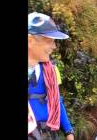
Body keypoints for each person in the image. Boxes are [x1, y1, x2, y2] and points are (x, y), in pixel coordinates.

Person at [28, 12, 74, 140]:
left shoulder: (51, 70)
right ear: (30, 41)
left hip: (49, 132)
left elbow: (57, 100)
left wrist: (68, 131)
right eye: (49, 41)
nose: (54, 46)